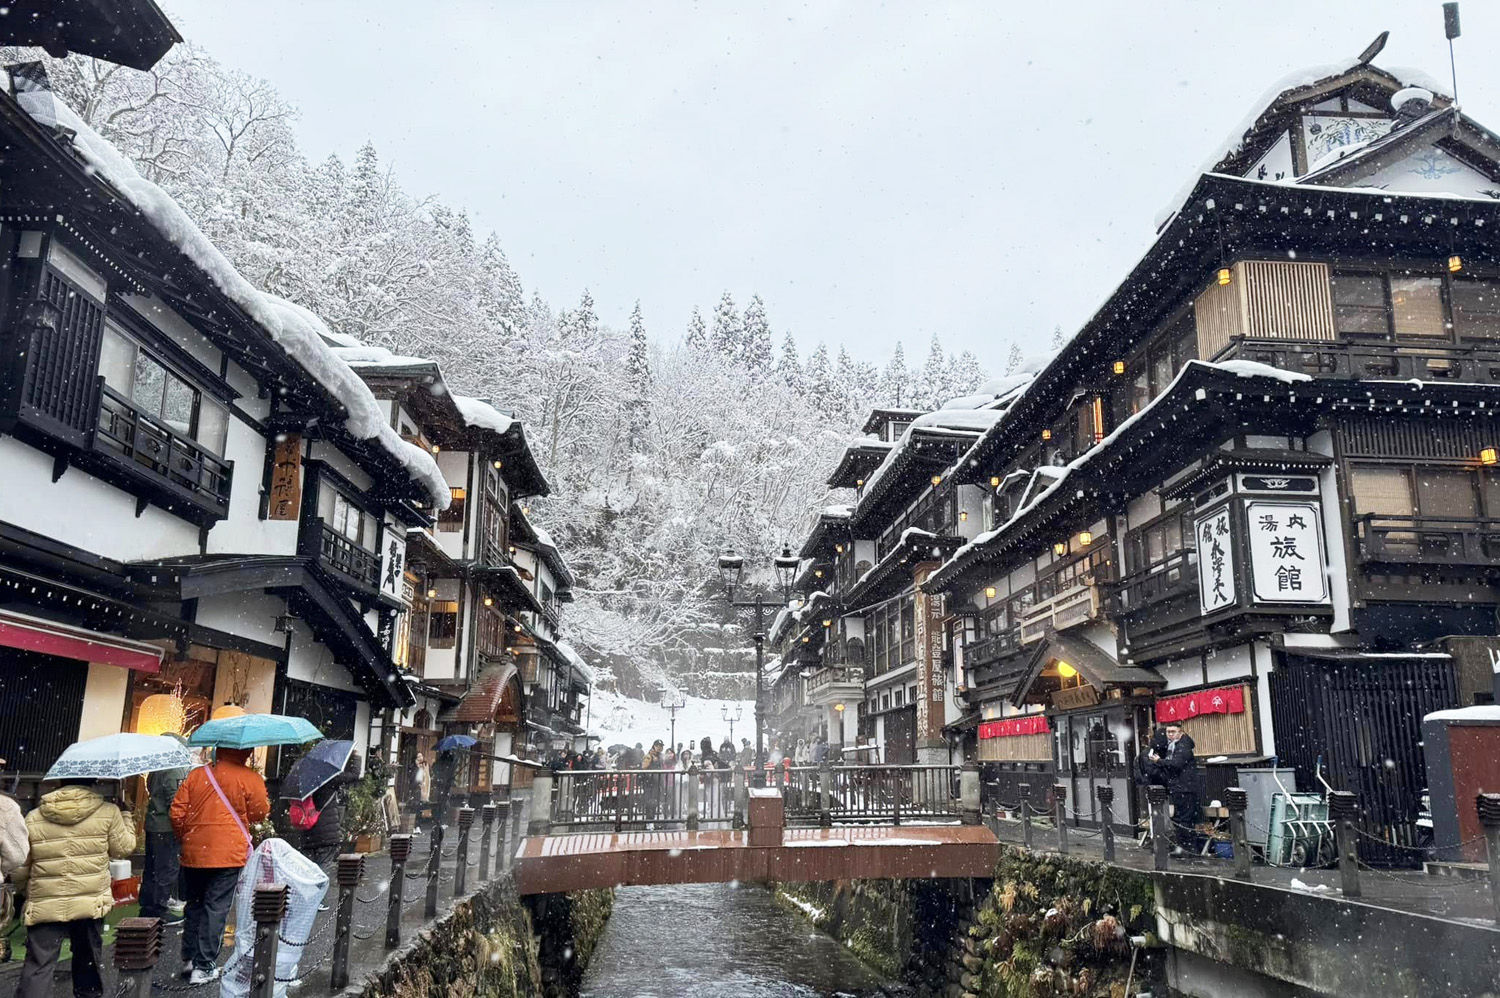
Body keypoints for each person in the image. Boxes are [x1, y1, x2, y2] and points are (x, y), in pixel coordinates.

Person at [12, 778, 134, 998]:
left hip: (46, 900)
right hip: (90, 901)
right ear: (93, 782)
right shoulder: (108, 812)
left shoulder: (34, 817)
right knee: (87, 959)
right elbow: (123, 849)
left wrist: (27, 892)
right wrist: (126, 815)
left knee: (39, 965)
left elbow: (22, 865)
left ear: (60, 781)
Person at [171, 747, 270, 985]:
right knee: (215, 907)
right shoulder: (249, 778)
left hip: (194, 853)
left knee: (194, 904)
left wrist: (189, 837)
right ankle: (204, 966)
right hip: (228, 853)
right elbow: (260, 812)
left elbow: (176, 813)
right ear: (245, 751)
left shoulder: (197, 775)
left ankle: (189, 959)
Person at [139, 733, 189, 925]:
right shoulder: (174, 767)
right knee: (166, 868)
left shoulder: (157, 765)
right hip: (167, 826)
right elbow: (176, 800)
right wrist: (182, 827)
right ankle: (159, 910)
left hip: (154, 823)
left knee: (151, 869)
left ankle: (147, 906)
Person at [1149, 723, 1200, 854]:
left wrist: (1159, 761)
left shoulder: (1183, 745)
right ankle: (1183, 846)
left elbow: (1177, 764)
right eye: (1168, 732)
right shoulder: (1174, 745)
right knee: (1179, 818)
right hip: (1179, 787)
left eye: (1173, 731)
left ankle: (1187, 848)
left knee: (1184, 819)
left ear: (1181, 732)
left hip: (1185, 787)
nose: (1170, 734)